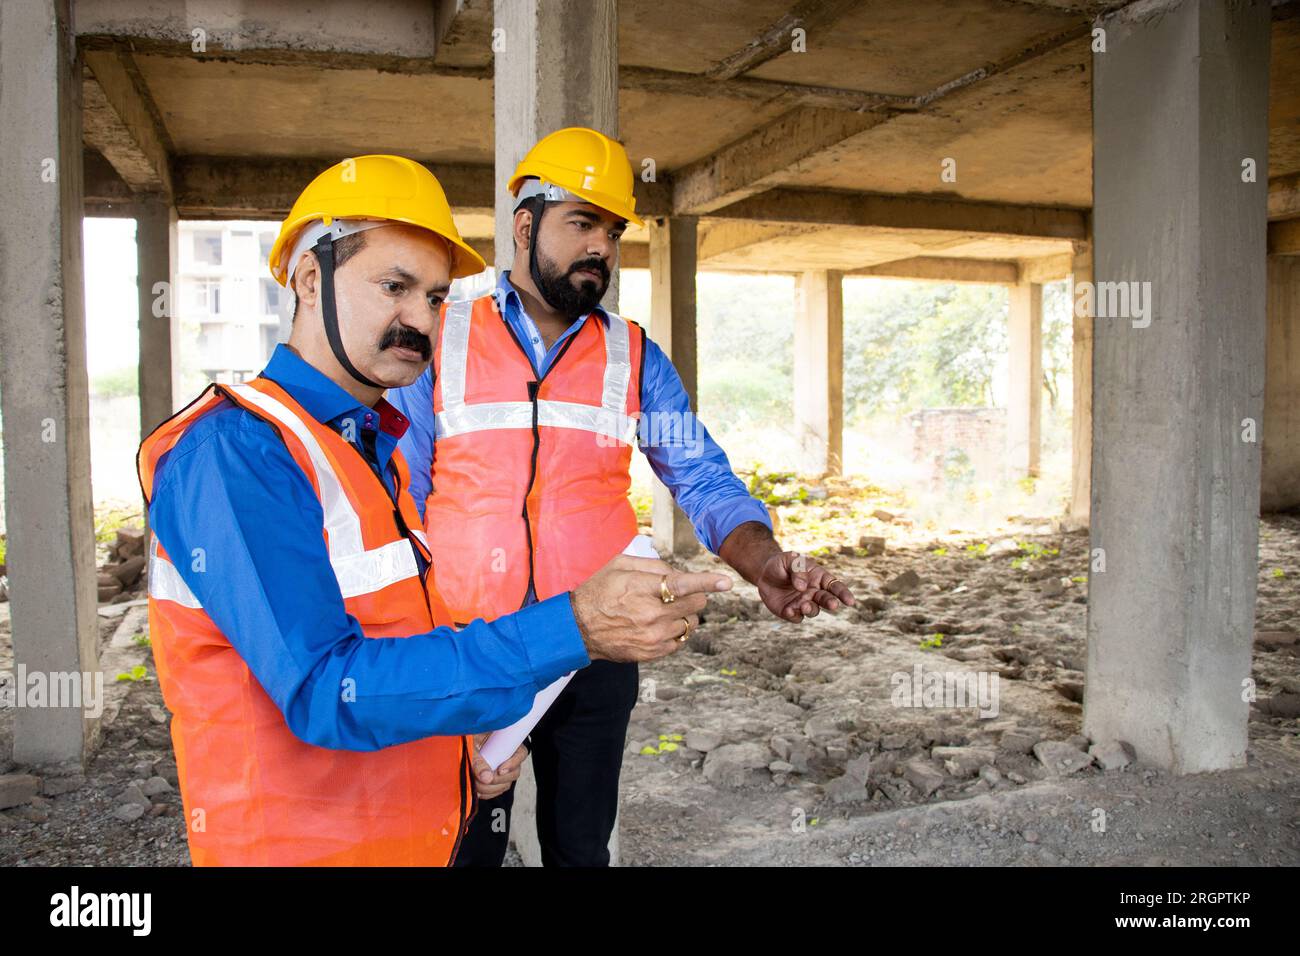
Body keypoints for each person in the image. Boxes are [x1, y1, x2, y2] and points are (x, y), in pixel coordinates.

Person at [137, 154, 732, 866]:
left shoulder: (367, 448)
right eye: (394, 286)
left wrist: (464, 747)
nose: (419, 320)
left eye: (435, 297)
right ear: (307, 278)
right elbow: (330, 689)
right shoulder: (238, 453)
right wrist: (572, 627)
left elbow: (395, 642)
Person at [390, 128, 856, 867]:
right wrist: (412, 646)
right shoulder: (441, 339)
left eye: (611, 232)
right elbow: (400, 497)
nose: (601, 248)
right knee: (462, 849)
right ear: (524, 224)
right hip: (470, 644)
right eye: (581, 222)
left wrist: (763, 562)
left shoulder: (632, 355)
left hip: (595, 648)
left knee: (580, 850)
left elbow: (701, 475)